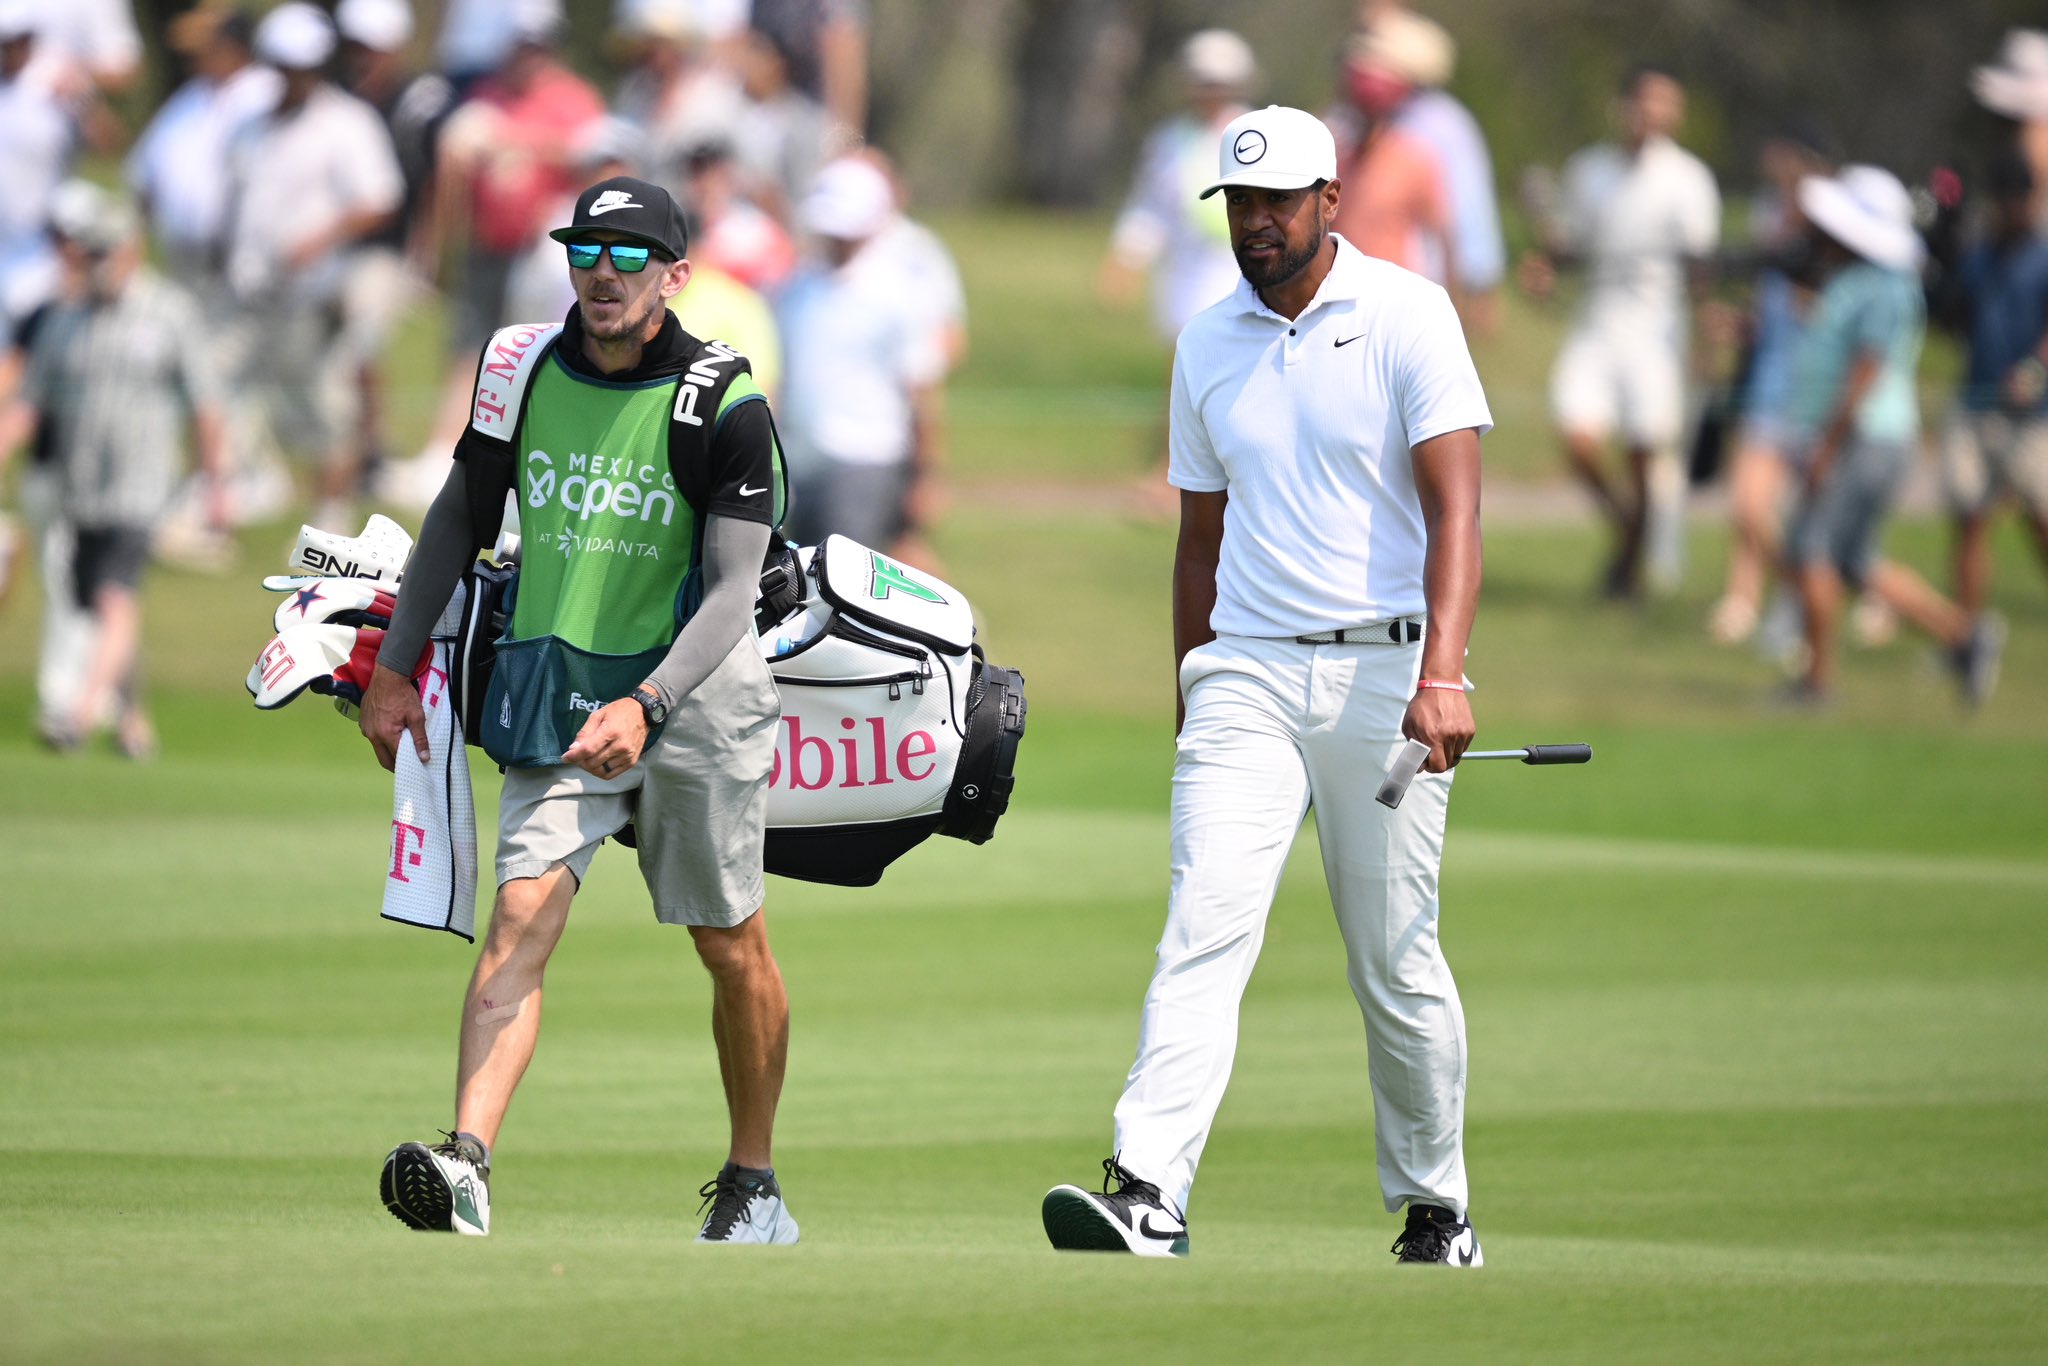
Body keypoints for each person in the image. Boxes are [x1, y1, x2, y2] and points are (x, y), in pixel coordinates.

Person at [1041, 104, 1492, 1266]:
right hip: (1243, 668)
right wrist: (1192, 692)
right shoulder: (1206, 339)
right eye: (1237, 205)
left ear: (1327, 201)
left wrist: (1441, 671)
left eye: (1274, 204)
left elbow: (1457, 509)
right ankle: (1147, 1188)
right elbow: (1199, 539)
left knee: (1390, 956)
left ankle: (1434, 1206)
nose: (1253, 226)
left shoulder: (1407, 315)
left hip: (1387, 679)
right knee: (1201, 928)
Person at [359, 176, 799, 1244]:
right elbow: (460, 512)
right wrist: (394, 664)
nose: (602, 272)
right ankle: (467, 1162)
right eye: (585, 251)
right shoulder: (516, 371)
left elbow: (736, 590)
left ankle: (753, 1182)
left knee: (726, 942)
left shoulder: (723, 400)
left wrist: (647, 703)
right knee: (519, 918)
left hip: (694, 695)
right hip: (556, 687)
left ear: (674, 276)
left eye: (628, 254)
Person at [0, 187, 228, 756]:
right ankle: (133, 720)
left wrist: (214, 481)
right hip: (81, 488)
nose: (95, 263)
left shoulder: (168, 312)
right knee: (98, 602)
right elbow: (31, 401)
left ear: (132, 250)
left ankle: (79, 715)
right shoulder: (66, 321)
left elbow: (204, 401)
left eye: (106, 251)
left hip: (141, 484)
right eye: (89, 252)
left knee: (113, 596)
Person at [1780, 165, 2003, 707]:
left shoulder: (1883, 287)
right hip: (1871, 438)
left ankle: (1816, 684)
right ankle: (1964, 635)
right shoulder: (1863, 281)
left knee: (1810, 550)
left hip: (1866, 439)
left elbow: (1865, 372)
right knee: (1856, 561)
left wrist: (1826, 446)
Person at [1524, 66, 1719, 598]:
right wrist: (1546, 263)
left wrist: (1706, 336)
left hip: (1658, 329)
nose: (1654, 113)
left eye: (1666, 103)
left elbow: (1701, 270)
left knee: (1642, 447)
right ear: (1625, 107)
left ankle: (1629, 565)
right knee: (1577, 436)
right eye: (1646, 101)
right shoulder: (1590, 170)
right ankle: (1630, 530)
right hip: (1598, 319)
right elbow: (1571, 246)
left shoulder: (1688, 179)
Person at [222, 2, 402, 531]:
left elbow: (378, 200)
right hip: (248, 293)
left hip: (315, 296)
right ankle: (245, 494)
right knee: (235, 399)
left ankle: (330, 518)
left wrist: (319, 240)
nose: (291, 76)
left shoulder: (347, 122)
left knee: (326, 409)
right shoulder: (252, 125)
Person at [776, 157, 947, 563]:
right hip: (798, 464)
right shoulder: (796, 287)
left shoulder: (898, 292)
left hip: (865, 461)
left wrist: (927, 475)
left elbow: (922, 388)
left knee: (845, 584)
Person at [1705, 126, 1834, 646]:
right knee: (1749, 506)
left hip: (1816, 392)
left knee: (1805, 518)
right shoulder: (1774, 230)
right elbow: (1771, 311)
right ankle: (1783, 597)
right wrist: (1740, 325)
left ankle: (1797, 600)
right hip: (1768, 384)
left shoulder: (1830, 243)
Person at [1934, 151, 2048, 627]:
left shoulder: (2043, 255)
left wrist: (2038, 368)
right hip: (1975, 401)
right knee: (1969, 517)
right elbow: (1952, 317)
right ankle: (1966, 634)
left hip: (2032, 413)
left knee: (2040, 517)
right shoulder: (1978, 256)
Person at [1098, 29, 1254, 343]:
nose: (1210, 92)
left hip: (1243, 265)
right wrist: (1127, 258)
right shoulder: (1168, 141)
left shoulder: (1252, 133)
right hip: (1185, 269)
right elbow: (1151, 208)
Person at [1370, 8, 1507, 335]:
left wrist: (1481, 285)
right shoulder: (1364, 120)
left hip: (1417, 282)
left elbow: (1469, 208)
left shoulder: (1443, 124)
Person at [1328, 19, 1456, 297]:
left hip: (1393, 299)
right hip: (1337, 296)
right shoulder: (1336, 148)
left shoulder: (1421, 150)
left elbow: (1443, 239)